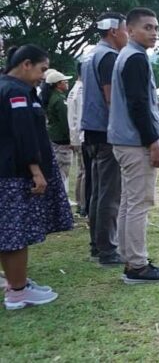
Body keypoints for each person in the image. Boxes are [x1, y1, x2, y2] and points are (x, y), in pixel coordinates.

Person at [1, 44, 73, 310]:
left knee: (9, 233)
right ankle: (18, 292)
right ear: (26, 64)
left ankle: (16, 283)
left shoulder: (9, 87)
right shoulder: (16, 92)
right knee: (14, 234)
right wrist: (35, 170)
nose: (44, 75)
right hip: (15, 173)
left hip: (9, 170)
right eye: (42, 69)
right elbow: (23, 134)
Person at [108, 8, 159, 284]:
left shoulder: (128, 56)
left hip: (124, 141)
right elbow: (138, 106)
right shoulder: (134, 58)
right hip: (135, 143)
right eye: (147, 27)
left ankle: (130, 258)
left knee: (128, 203)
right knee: (139, 203)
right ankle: (137, 265)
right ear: (130, 30)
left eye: (156, 28)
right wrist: (153, 144)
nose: (154, 33)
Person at [81, 12, 127, 266]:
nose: (127, 35)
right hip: (107, 132)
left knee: (97, 192)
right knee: (110, 194)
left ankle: (97, 245)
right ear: (113, 31)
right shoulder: (108, 57)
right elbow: (111, 98)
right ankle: (108, 250)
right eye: (125, 30)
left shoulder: (90, 55)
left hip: (91, 132)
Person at [45, 70, 73, 192]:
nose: (67, 83)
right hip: (62, 139)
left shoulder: (52, 97)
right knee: (63, 169)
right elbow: (65, 121)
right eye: (64, 81)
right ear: (58, 84)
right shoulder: (59, 100)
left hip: (54, 137)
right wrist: (71, 137)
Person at [66, 62, 87, 215]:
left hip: (75, 135)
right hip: (81, 135)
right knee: (85, 171)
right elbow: (81, 115)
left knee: (81, 171)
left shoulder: (73, 90)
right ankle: (84, 203)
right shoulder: (82, 90)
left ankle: (81, 202)